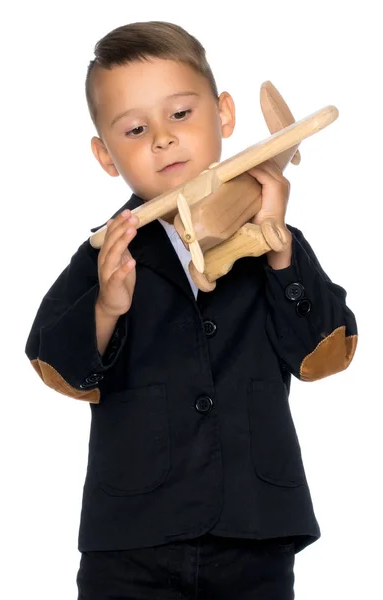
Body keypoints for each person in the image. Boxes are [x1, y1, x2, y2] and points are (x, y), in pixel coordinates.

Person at [25, 21, 358, 600]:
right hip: (131, 536)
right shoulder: (108, 249)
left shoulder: (272, 237)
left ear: (224, 115)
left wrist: (278, 250)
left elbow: (324, 353)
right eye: (134, 128)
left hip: (254, 527)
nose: (162, 139)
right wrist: (106, 307)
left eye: (180, 114)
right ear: (106, 156)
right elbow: (52, 359)